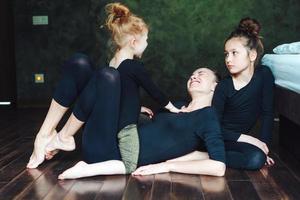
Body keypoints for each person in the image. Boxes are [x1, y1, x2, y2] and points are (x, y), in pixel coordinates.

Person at [27, 2, 180, 169]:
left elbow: (120, 98)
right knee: (80, 63)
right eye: (147, 39)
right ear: (134, 42)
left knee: (107, 75)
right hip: (98, 137)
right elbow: (154, 91)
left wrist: (135, 108)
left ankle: (63, 137)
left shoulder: (115, 65)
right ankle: (45, 134)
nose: (148, 44)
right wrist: (172, 108)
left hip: (103, 145)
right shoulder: (124, 67)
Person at [56, 67, 226, 179]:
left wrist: (166, 167)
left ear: (214, 86)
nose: (194, 76)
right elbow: (148, 125)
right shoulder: (177, 105)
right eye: (192, 75)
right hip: (105, 138)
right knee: (100, 72)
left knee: (108, 76)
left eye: (201, 74)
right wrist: (135, 109)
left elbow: (218, 167)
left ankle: (60, 139)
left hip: (111, 155)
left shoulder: (208, 116)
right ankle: (59, 138)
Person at [180, 18, 275, 170]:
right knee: (255, 157)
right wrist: (251, 140)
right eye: (226, 54)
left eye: (234, 53)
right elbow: (214, 128)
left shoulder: (264, 75)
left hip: (233, 141)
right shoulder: (224, 87)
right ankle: (198, 154)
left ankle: (200, 156)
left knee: (257, 157)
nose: (228, 59)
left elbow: (267, 113)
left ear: (252, 55)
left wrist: (264, 147)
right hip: (215, 137)